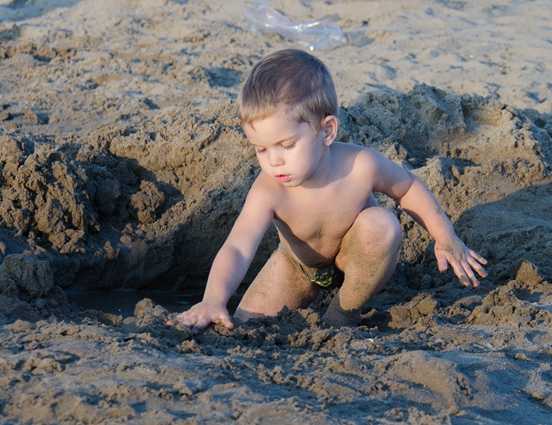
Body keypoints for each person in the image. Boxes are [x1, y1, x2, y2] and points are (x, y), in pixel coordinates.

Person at [171, 49, 487, 333]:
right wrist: (213, 299)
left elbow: (408, 189)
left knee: (381, 224)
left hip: (358, 258)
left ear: (326, 130)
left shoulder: (361, 165)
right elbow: (239, 247)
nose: (274, 161)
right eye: (261, 149)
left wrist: (445, 237)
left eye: (286, 145)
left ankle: (342, 314)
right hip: (298, 268)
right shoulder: (268, 190)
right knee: (242, 328)